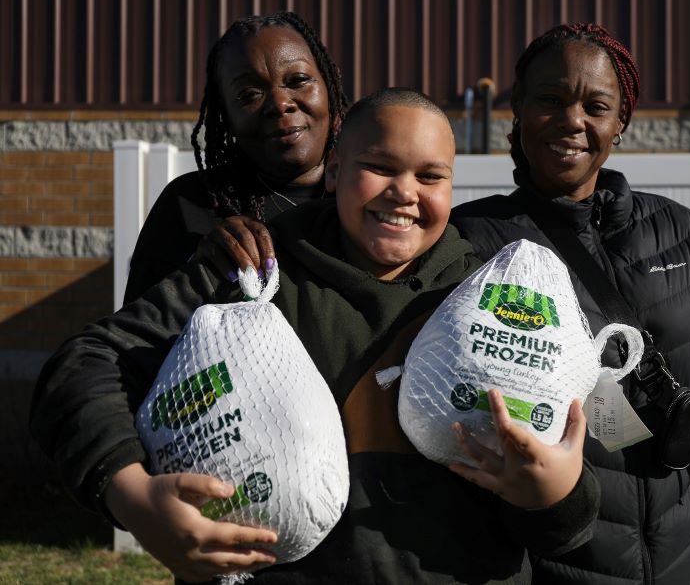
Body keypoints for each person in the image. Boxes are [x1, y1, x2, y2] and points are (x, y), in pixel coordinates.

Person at [30, 88, 600, 584]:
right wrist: (131, 494)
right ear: (334, 171)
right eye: (379, 166)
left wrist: (557, 496)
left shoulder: (498, 301)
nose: (404, 192)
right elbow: (87, 362)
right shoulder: (250, 270)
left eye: (430, 176)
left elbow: (568, 518)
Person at [450, 23, 690, 584]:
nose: (572, 120)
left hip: (685, 556)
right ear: (520, 111)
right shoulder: (473, 242)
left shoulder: (680, 234)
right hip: (551, 560)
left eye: (595, 106)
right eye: (550, 100)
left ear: (620, 122)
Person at [122, 11, 347, 304]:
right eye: (249, 95)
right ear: (226, 117)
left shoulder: (370, 192)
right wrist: (199, 277)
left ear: (327, 88)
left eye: (298, 80)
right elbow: (135, 338)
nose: (280, 104)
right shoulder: (188, 204)